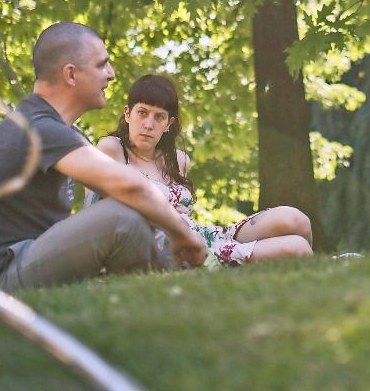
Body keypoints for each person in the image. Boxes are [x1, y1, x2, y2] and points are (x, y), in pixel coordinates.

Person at [0, 23, 208, 290]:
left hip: (24, 260)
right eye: (102, 65)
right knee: (121, 216)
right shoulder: (39, 128)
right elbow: (130, 185)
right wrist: (183, 234)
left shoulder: (56, 129)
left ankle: (162, 289)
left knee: (130, 213)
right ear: (71, 75)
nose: (111, 75)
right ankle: (169, 289)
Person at [87, 74, 313, 265]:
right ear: (128, 114)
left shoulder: (178, 160)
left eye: (159, 117)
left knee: (295, 219)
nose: (148, 124)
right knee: (297, 247)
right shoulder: (113, 149)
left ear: (169, 125)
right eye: (142, 113)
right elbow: (102, 211)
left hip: (204, 235)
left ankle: (315, 272)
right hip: (172, 250)